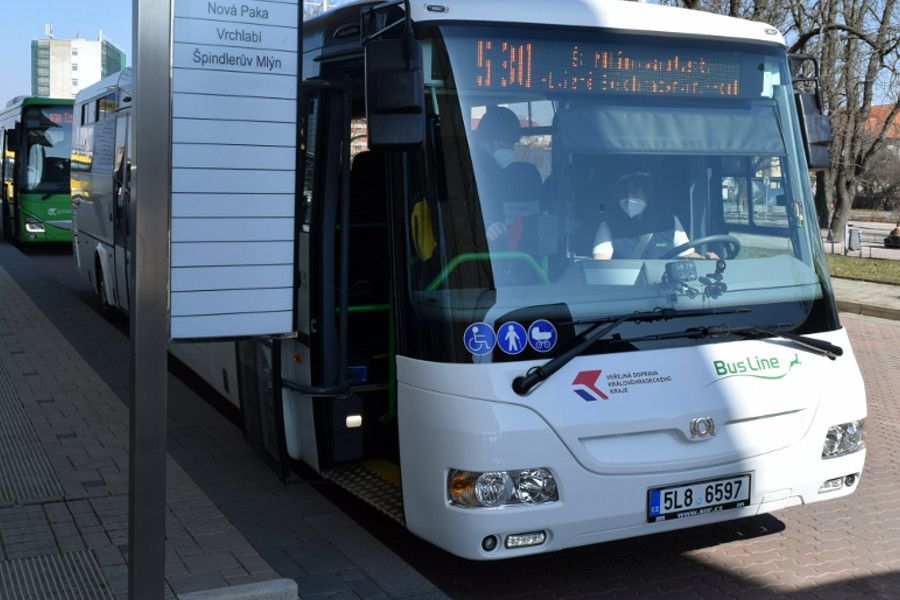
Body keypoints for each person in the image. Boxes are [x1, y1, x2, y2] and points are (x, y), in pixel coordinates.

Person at [592, 170, 718, 260]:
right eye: (624, 192)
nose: (629, 198)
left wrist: (704, 259)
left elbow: (686, 253)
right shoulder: (609, 224)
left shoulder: (669, 221)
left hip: (664, 290)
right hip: (628, 292)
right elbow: (601, 263)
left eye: (635, 192)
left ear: (648, 193)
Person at [471, 107, 542, 245]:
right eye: (507, 143)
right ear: (488, 143)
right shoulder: (467, 169)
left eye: (513, 144)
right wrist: (486, 228)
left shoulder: (519, 174)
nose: (511, 149)